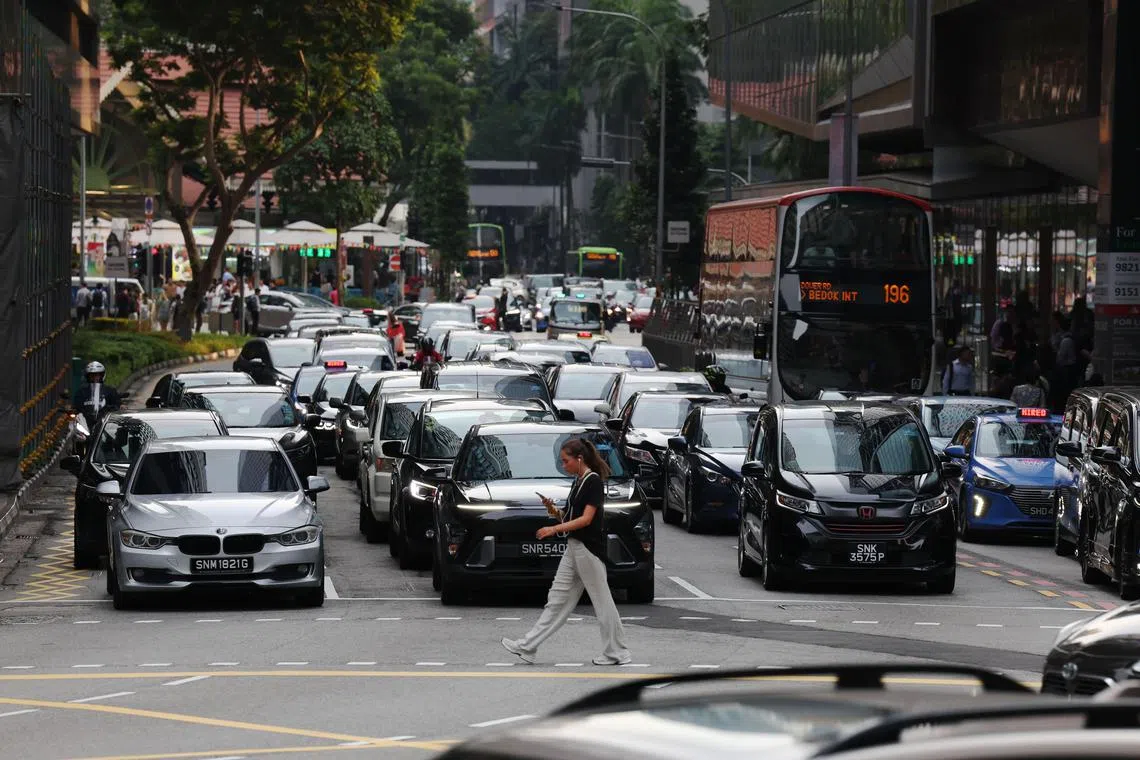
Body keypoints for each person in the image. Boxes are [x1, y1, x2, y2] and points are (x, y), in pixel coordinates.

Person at [501, 438, 631, 666]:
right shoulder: (579, 481)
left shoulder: (593, 482)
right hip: (574, 548)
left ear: (579, 459)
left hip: (588, 550)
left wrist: (553, 528)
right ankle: (528, 646)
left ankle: (617, 652)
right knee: (557, 600)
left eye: (566, 461)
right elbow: (572, 518)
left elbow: (586, 519)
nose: (563, 465)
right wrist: (555, 512)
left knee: (603, 603)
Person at [72, 361, 122, 428]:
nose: (95, 377)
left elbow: (116, 404)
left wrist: (118, 406)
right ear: (88, 376)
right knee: (71, 432)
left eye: (97, 375)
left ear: (101, 376)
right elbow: (77, 405)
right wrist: (75, 409)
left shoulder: (110, 391)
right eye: (92, 375)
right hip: (85, 421)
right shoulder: (81, 391)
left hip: (105, 422)